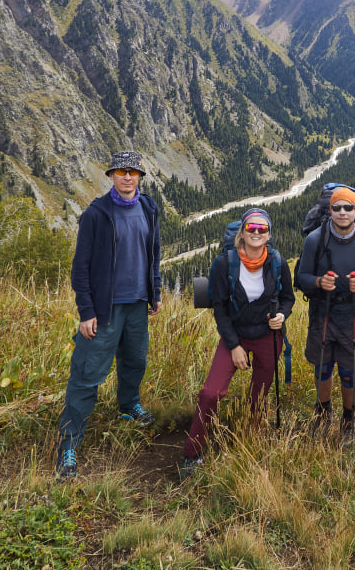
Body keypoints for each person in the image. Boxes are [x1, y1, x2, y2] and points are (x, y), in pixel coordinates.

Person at [55, 151, 162, 479]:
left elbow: (154, 252)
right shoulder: (96, 214)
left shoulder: (149, 207)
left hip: (137, 304)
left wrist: (155, 292)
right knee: (87, 373)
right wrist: (86, 311)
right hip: (104, 309)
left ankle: (129, 406)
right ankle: (68, 444)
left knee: (135, 361)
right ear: (111, 176)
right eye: (121, 171)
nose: (127, 177)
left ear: (140, 176)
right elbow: (80, 267)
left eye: (133, 172)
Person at [180, 208, 295, 479]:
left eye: (262, 229)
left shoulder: (278, 262)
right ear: (241, 233)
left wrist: (281, 315)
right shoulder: (224, 264)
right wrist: (233, 346)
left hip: (268, 335)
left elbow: (288, 298)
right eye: (251, 228)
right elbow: (220, 308)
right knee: (211, 393)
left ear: (269, 234)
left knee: (260, 394)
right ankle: (191, 453)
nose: (256, 232)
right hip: (236, 336)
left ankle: (253, 437)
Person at [295, 186, 355, 445]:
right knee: (322, 367)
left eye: (348, 207)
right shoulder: (315, 240)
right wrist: (319, 282)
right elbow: (302, 276)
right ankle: (323, 413)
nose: (342, 212)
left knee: (348, 371)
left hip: (352, 314)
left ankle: (348, 419)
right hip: (322, 313)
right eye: (336, 207)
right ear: (330, 210)